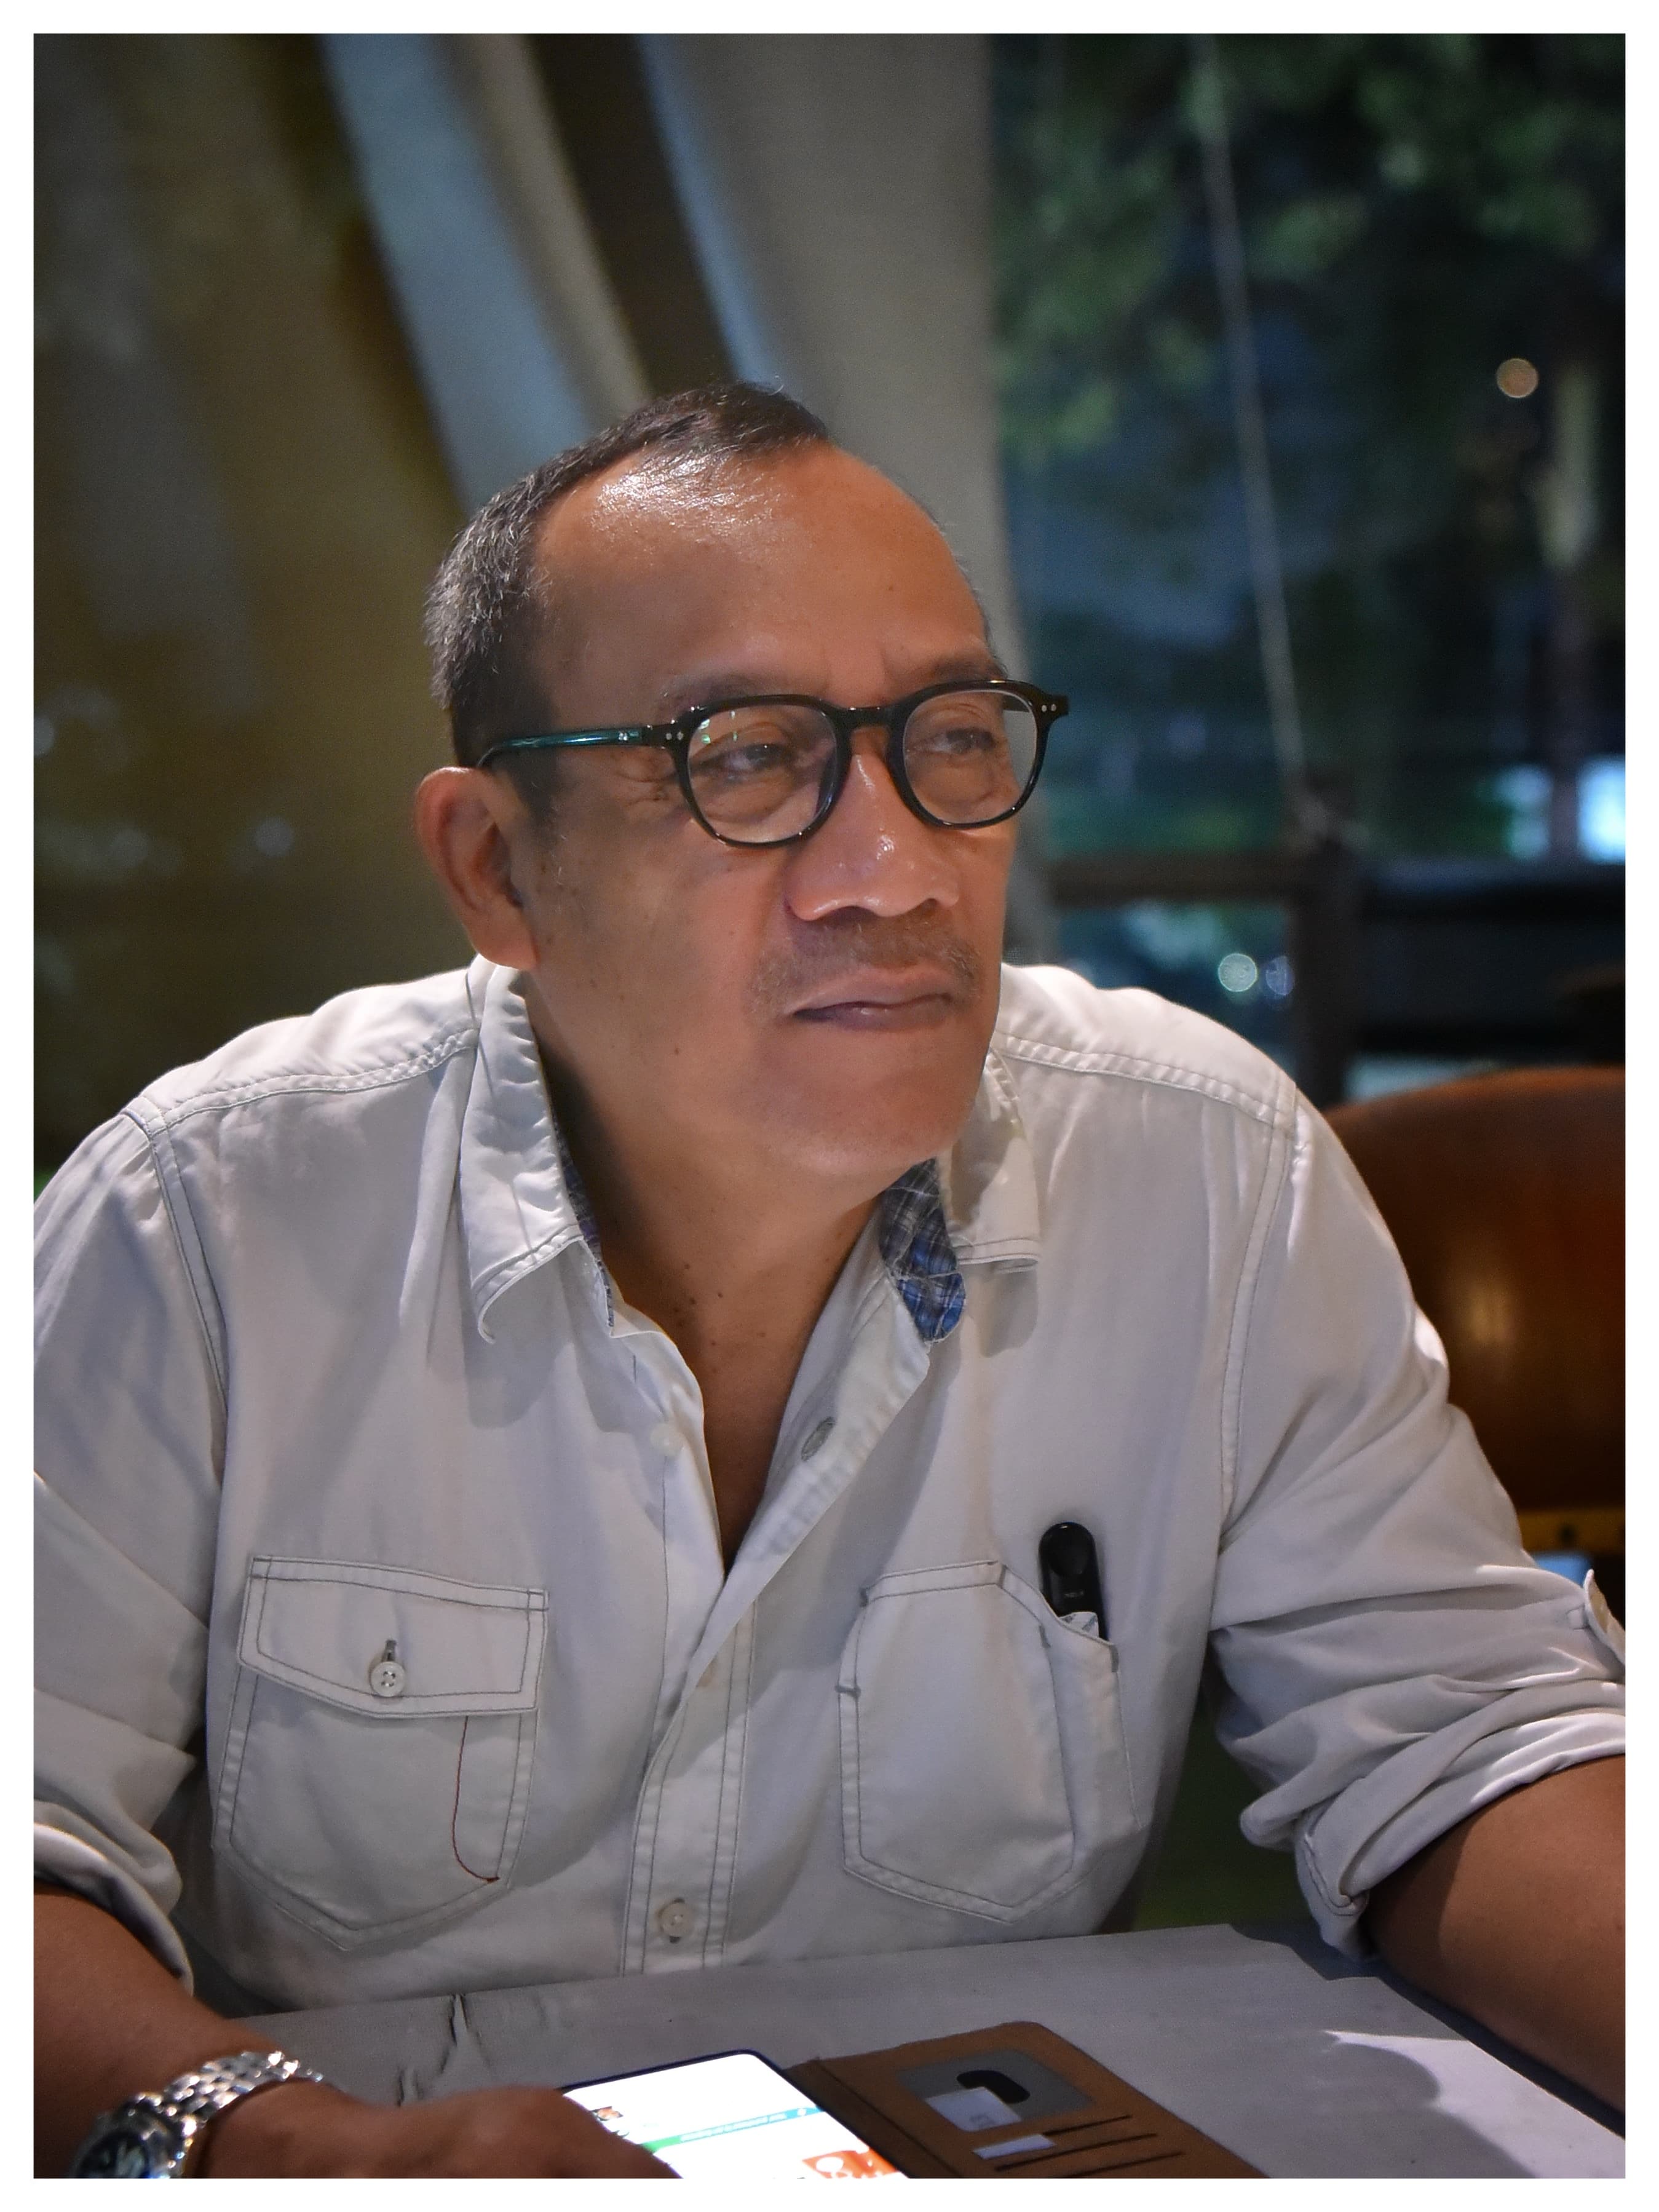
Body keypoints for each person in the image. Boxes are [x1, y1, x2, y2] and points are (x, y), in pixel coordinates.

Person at [35, 384, 1625, 2178]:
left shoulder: (1199, 1172)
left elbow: (1461, 1740)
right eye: (744, 759)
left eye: (951, 738)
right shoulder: (208, 1225)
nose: (896, 870)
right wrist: (300, 2156)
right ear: (497, 866)